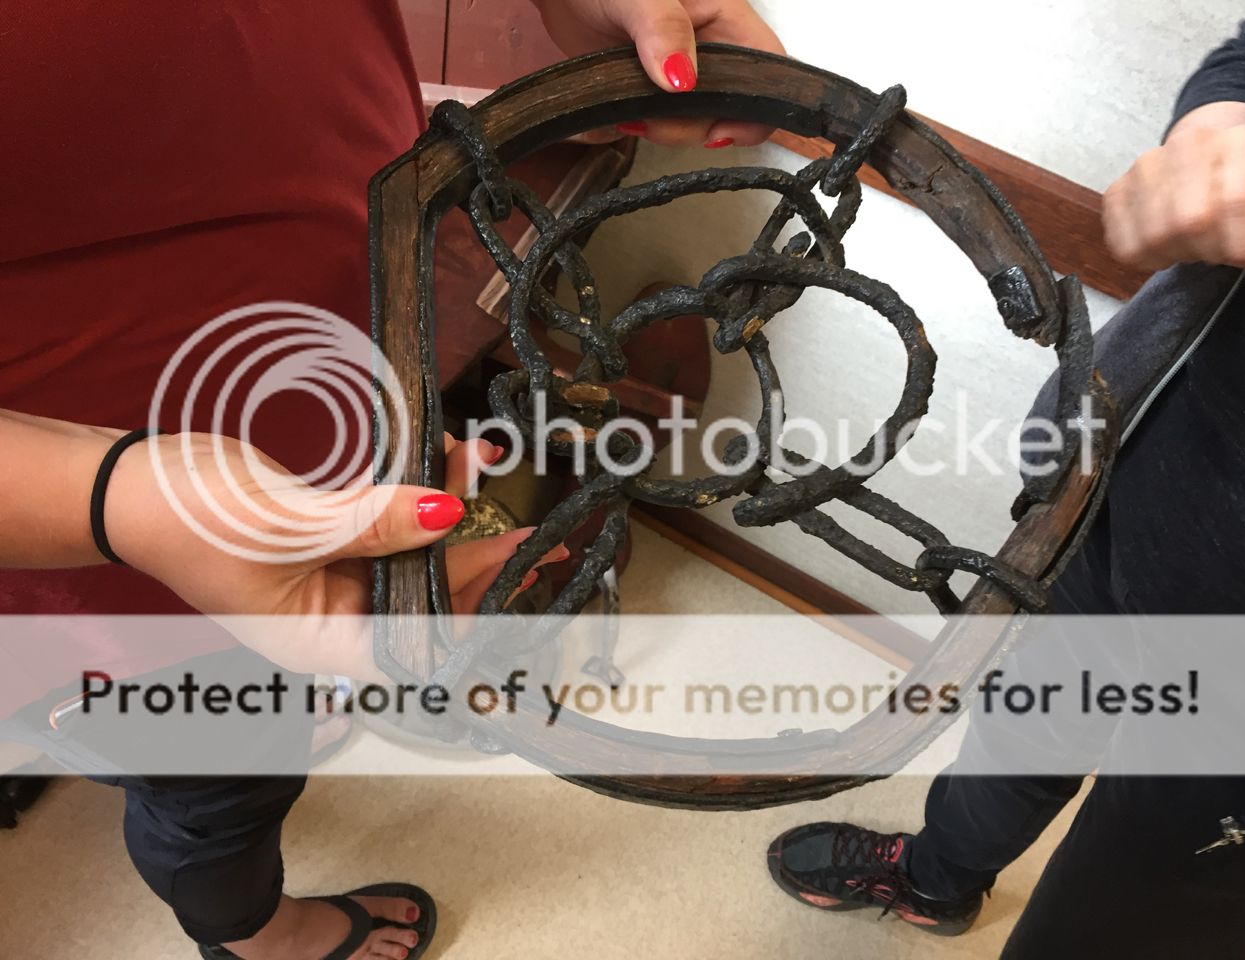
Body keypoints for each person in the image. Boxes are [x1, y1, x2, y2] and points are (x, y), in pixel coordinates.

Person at [0, 2, 782, 959]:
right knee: (213, 777)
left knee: (273, 698)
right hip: (91, 548)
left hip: (325, 385)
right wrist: (118, 499)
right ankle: (253, 936)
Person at [767, 4, 1245, 958]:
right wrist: (1214, 129)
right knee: (1028, 720)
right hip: (1123, 482)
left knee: (1109, 914)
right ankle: (936, 882)